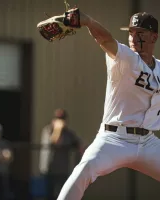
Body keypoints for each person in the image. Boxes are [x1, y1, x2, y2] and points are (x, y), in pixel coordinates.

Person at [56, 11, 160, 200]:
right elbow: (105, 39)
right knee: (83, 171)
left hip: (148, 142)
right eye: (131, 33)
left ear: (154, 36)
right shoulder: (126, 58)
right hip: (114, 138)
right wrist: (88, 22)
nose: (134, 38)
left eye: (140, 34)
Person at [39, 108, 83, 200]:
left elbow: (79, 145)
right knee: (48, 195)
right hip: (49, 169)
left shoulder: (69, 133)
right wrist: (57, 129)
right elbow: (55, 142)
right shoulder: (47, 130)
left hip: (63, 170)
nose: (60, 121)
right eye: (58, 118)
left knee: (62, 195)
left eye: (62, 119)